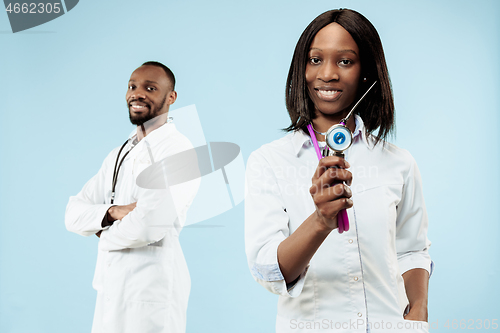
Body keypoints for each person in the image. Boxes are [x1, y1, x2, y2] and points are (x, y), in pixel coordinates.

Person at [245, 9, 432, 333]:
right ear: (301, 69)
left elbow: (413, 249)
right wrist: (320, 221)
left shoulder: (399, 162)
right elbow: (268, 271)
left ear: (366, 72)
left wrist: (418, 312)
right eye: (315, 60)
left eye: (345, 61)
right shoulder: (269, 162)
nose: (328, 74)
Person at [65, 61, 199, 333]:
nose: (137, 94)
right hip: (109, 289)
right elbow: (73, 213)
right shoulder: (119, 154)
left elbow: (150, 224)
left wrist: (103, 236)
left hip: (151, 293)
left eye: (150, 88)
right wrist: (112, 213)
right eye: (132, 86)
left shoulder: (178, 149)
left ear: (171, 97)